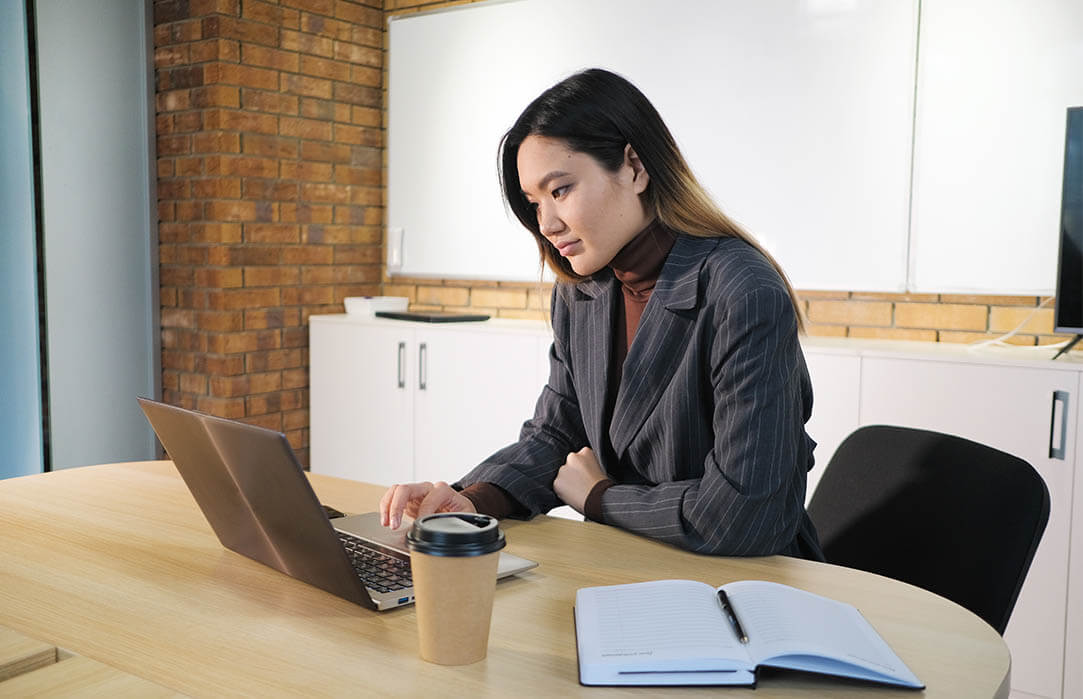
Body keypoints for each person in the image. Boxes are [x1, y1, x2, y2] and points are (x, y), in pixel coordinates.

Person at [379, 68, 823, 559]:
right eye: (534, 202)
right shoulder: (580, 293)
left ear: (634, 167)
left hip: (749, 583)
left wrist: (599, 497)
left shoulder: (741, 290)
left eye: (560, 190)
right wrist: (469, 501)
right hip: (634, 563)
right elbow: (555, 435)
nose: (546, 223)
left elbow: (743, 516)